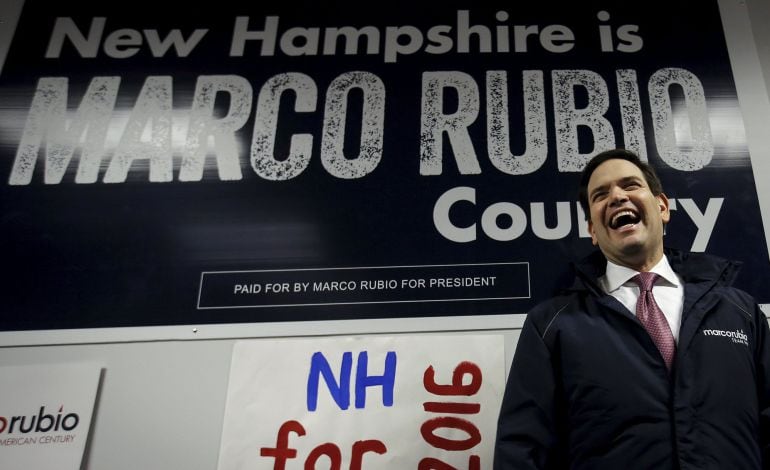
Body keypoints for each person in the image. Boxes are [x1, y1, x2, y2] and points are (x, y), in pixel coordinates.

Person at [494, 148, 770, 469]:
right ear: (593, 231)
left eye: (630, 185)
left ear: (662, 207)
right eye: (600, 194)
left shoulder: (740, 311)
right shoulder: (552, 324)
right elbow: (523, 449)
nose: (616, 197)